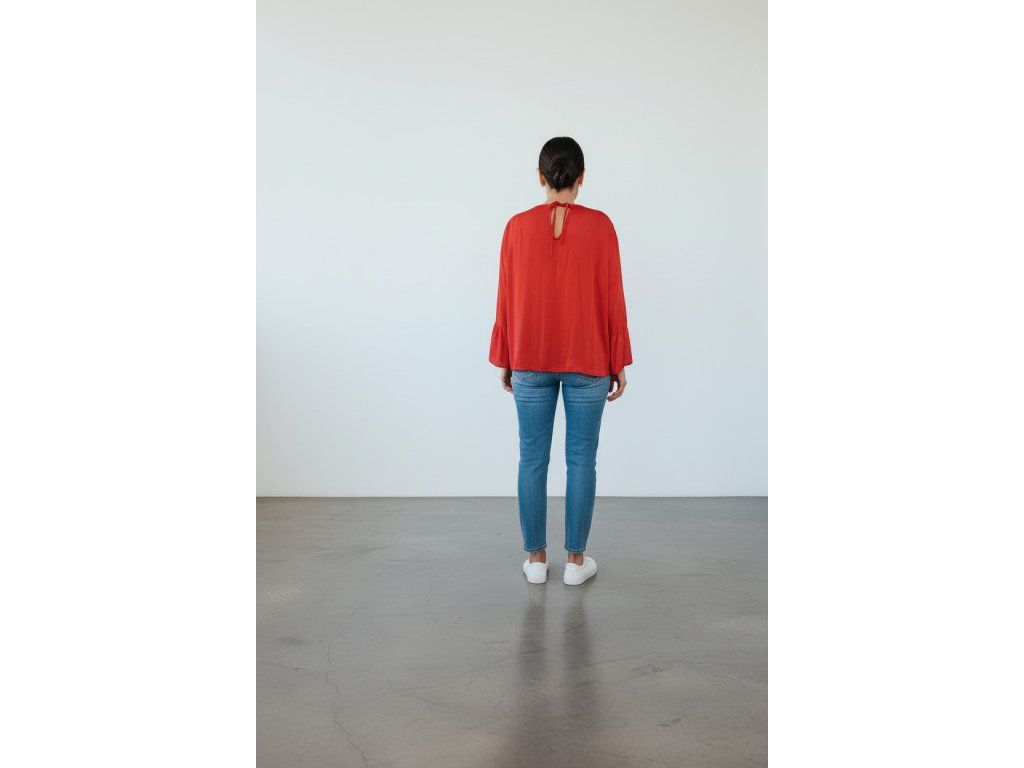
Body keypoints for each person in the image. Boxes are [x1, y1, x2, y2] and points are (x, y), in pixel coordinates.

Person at [489, 136, 633, 586]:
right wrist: (618, 358)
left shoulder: (515, 227)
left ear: (540, 176)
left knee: (531, 458)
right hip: (588, 358)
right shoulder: (602, 227)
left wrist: (505, 355)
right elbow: (612, 296)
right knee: (581, 460)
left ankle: (536, 561)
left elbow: (507, 296)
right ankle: (575, 563)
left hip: (529, 357)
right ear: (581, 177)